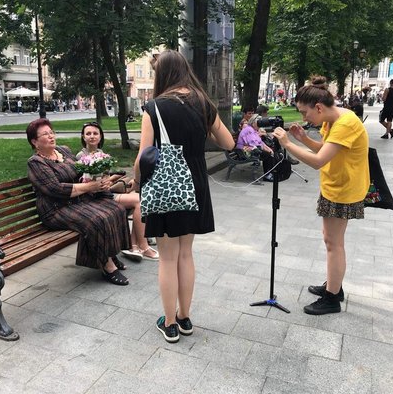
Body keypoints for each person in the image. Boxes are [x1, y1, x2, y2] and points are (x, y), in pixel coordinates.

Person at [133, 50, 235, 343]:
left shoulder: (154, 107)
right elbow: (227, 142)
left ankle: (168, 323)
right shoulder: (203, 103)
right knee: (187, 254)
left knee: (168, 258)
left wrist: (137, 182)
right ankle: (185, 317)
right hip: (196, 185)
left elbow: (143, 157)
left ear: (161, 74)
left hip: (166, 186)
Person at [272, 76, 369, 315]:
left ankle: (332, 298)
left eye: (305, 113)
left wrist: (287, 143)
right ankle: (334, 286)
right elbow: (327, 150)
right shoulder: (332, 118)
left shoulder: (345, 123)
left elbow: (318, 161)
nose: (304, 118)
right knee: (331, 240)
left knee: (333, 244)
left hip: (344, 189)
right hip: (335, 185)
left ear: (318, 107)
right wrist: (303, 139)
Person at [26, 118, 131, 285]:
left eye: (52, 132)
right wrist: (90, 187)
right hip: (55, 209)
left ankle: (110, 252)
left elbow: (81, 172)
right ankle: (107, 266)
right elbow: (56, 189)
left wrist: (100, 179)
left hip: (76, 202)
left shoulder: (63, 151)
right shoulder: (36, 162)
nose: (51, 136)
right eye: (45, 134)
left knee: (115, 209)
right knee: (97, 219)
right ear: (35, 142)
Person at [76, 121, 159, 262]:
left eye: (95, 133)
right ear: (83, 137)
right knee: (139, 200)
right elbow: (84, 181)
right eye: (88, 134)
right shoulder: (81, 156)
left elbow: (106, 178)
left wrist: (109, 180)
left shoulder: (102, 154)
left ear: (100, 136)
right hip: (94, 199)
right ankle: (142, 246)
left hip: (106, 193)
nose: (92, 136)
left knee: (141, 197)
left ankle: (133, 245)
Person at [235, 114, 277, 182]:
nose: (260, 124)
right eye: (259, 122)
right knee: (267, 154)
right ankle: (267, 175)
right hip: (243, 152)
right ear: (253, 122)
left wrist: (268, 148)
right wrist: (267, 150)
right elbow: (253, 143)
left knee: (270, 152)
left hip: (251, 149)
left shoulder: (254, 130)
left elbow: (260, 142)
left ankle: (270, 173)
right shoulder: (249, 130)